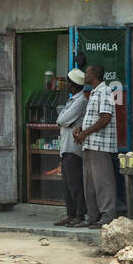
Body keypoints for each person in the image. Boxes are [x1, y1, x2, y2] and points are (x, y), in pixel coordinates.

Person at [73, 64, 118, 229]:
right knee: (90, 183)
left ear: (94, 75)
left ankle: (107, 216)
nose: (85, 75)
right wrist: (81, 130)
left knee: (103, 182)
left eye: (87, 72)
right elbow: (92, 118)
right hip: (90, 144)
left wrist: (85, 133)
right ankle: (93, 216)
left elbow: (105, 118)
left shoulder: (104, 91)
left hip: (100, 145)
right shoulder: (93, 93)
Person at [50, 68, 89, 227]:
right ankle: (71, 214)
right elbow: (62, 119)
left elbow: (62, 119)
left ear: (72, 84)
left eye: (67, 82)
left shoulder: (80, 101)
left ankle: (79, 215)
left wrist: (63, 121)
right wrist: (63, 121)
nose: (66, 84)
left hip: (73, 148)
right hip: (66, 147)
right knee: (67, 184)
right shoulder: (73, 99)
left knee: (75, 184)